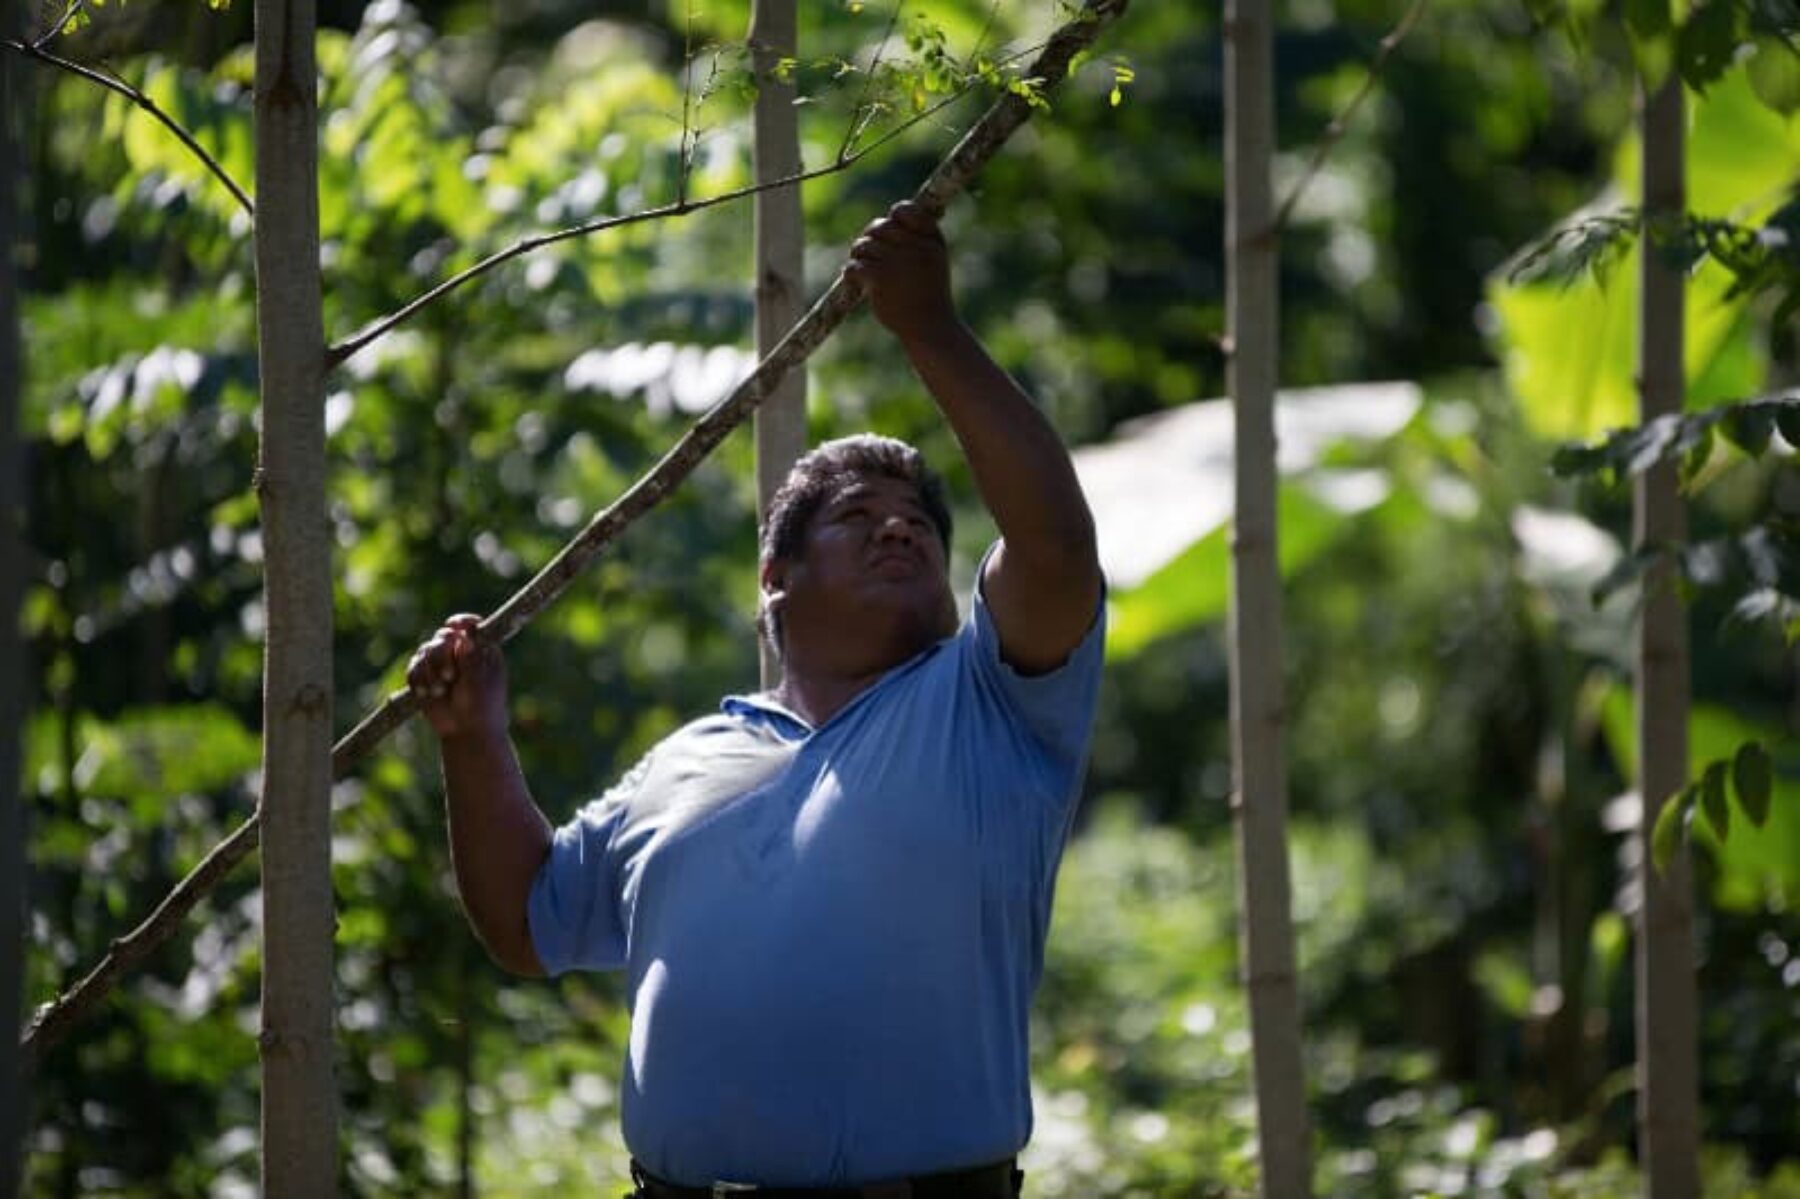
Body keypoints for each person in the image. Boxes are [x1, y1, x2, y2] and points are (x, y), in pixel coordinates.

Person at [407, 201, 1105, 1198]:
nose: (901, 530)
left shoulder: (988, 705)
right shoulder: (688, 756)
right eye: (859, 516)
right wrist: (471, 735)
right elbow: (527, 920)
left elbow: (1055, 548)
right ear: (775, 574)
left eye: (919, 522)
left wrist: (929, 327)